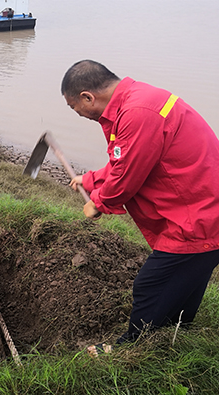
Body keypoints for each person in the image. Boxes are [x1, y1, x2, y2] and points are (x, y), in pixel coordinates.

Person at [62, 59, 219, 354]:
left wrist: (98, 203)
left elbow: (126, 177)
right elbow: (131, 158)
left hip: (195, 219)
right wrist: (92, 179)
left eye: (74, 107)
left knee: (150, 285)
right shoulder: (139, 100)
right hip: (205, 209)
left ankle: (130, 351)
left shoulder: (137, 113)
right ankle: (174, 338)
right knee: (184, 284)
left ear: (87, 97)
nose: (78, 114)